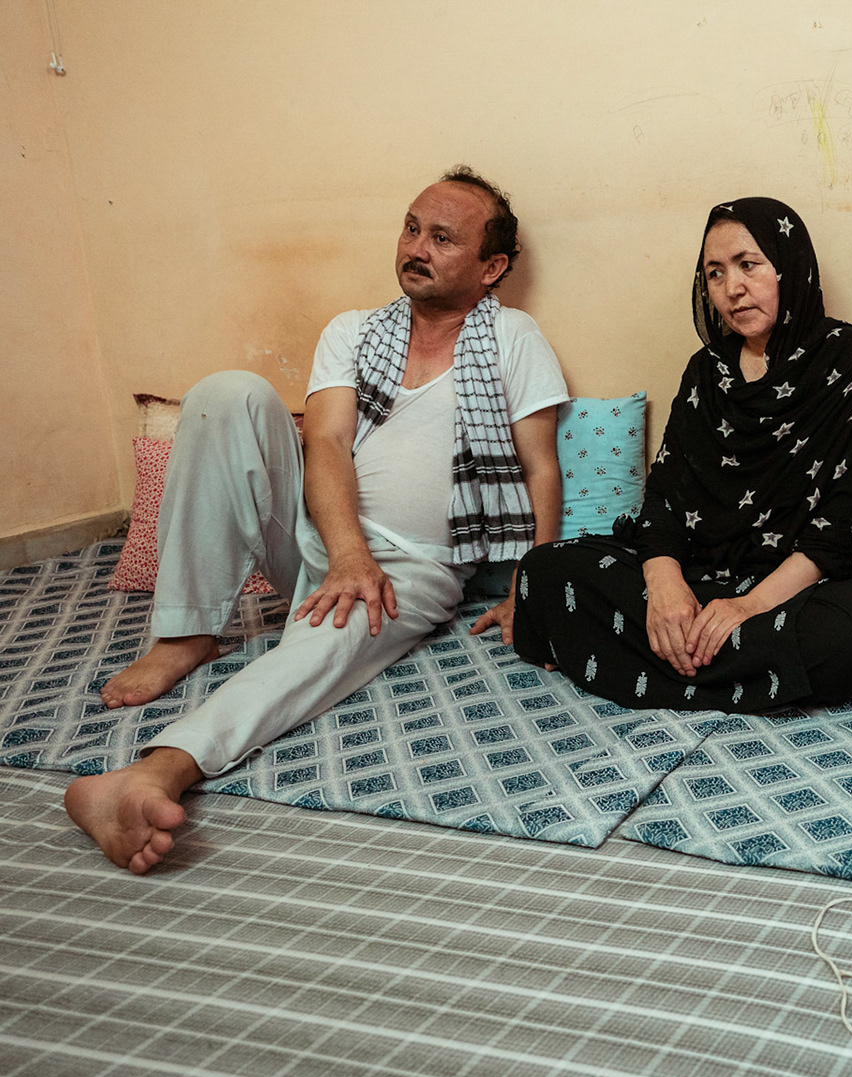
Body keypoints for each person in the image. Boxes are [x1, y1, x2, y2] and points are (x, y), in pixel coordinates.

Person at [64, 168, 568, 874]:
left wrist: (531, 587)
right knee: (227, 393)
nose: (415, 246)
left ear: (492, 267)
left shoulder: (515, 337)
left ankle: (155, 773)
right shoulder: (354, 331)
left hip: (413, 566)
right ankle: (185, 632)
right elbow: (324, 442)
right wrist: (346, 551)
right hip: (319, 535)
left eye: (443, 237)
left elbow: (540, 468)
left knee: (322, 645)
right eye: (412, 227)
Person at [510, 198, 852, 711]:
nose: (732, 288)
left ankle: (651, 658)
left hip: (799, 588)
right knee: (547, 570)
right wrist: (665, 588)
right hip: (701, 577)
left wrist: (750, 606)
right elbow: (665, 494)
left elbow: (851, 516)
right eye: (715, 273)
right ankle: (720, 659)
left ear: (790, 267)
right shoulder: (706, 370)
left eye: (749, 265)